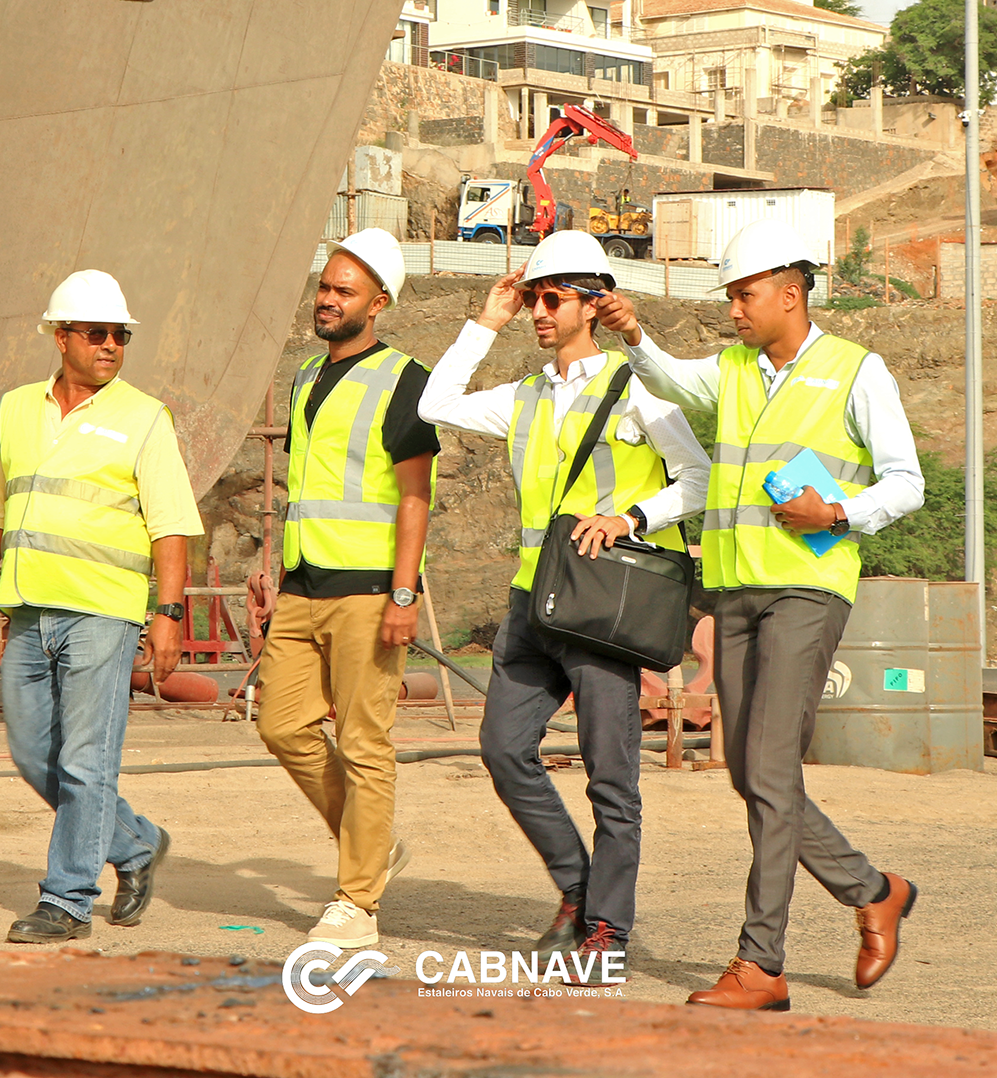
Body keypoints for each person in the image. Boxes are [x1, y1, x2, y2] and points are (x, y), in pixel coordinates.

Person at [597, 218, 925, 1010]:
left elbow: (905, 481)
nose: (734, 309)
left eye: (744, 295)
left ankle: (762, 965)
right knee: (751, 771)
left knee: (769, 771)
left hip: (808, 592)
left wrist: (838, 512)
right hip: (736, 591)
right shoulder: (736, 369)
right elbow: (674, 380)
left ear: (789, 291)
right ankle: (873, 889)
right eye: (732, 297)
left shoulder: (857, 370)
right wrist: (637, 336)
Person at [419, 230, 709, 976]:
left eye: (553, 299)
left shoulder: (637, 387)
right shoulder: (522, 395)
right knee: (502, 749)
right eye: (534, 300)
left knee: (611, 775)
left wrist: (631, 518)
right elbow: (434, 401)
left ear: (590, 303)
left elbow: (699, 478)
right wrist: (487, 319)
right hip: (531, 606)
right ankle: (580, 889)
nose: (539, 311)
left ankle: (607, 929)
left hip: (603, 608)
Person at [0, 270, 203, 943]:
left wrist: (168, 615)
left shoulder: (143, 417)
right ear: (60, 336)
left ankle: (66, 899)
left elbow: (170, 526)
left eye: (119, 335)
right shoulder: (14, 410)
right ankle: (137, 842)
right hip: (29, 612)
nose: (111, 345)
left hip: (103, 615)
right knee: (36, 754)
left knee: (86, 761)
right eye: (96, 333)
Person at [255, 229, 439, 948]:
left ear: (380, 303)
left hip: (368, 589)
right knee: (282, 726)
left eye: (344, 292)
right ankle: (373, 846)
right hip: (302, 583)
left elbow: (415, 498)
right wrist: (274, 571)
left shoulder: (405, 379)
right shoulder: (305, 376)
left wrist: (402, 596)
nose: (327, 300)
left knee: (365, 744)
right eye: (325, 287)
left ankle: (357, 905)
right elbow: (305, 488)